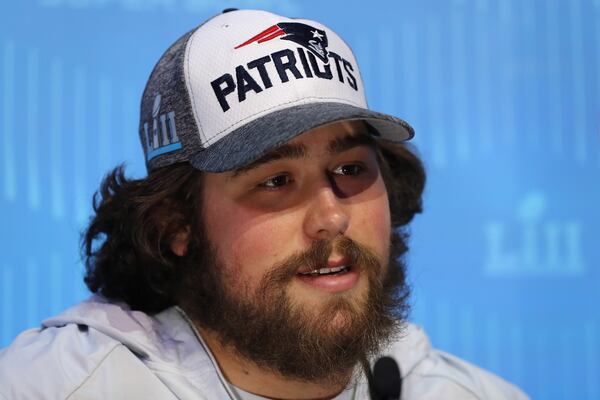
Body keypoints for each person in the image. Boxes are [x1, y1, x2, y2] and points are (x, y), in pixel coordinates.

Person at [0, 9, 528, 400]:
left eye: (350, 169)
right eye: (276, 180)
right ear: (176, 225)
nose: (332, 217)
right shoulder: (54, 388)